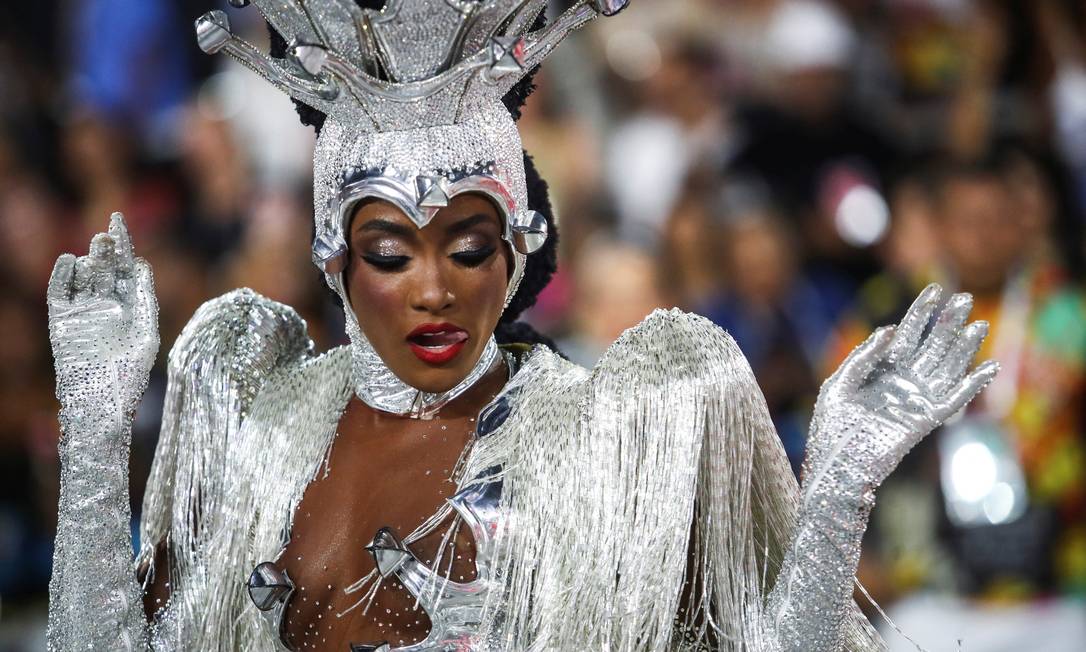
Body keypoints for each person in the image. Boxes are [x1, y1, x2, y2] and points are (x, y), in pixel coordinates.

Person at [44, 2, 998, 651]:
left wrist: (837, 483)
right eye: (389, 252)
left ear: (520, 249)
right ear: (332, 256)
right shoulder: (258, 420)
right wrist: (93, 430)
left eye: (467, 246)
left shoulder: (612, 435)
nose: (433, 290)